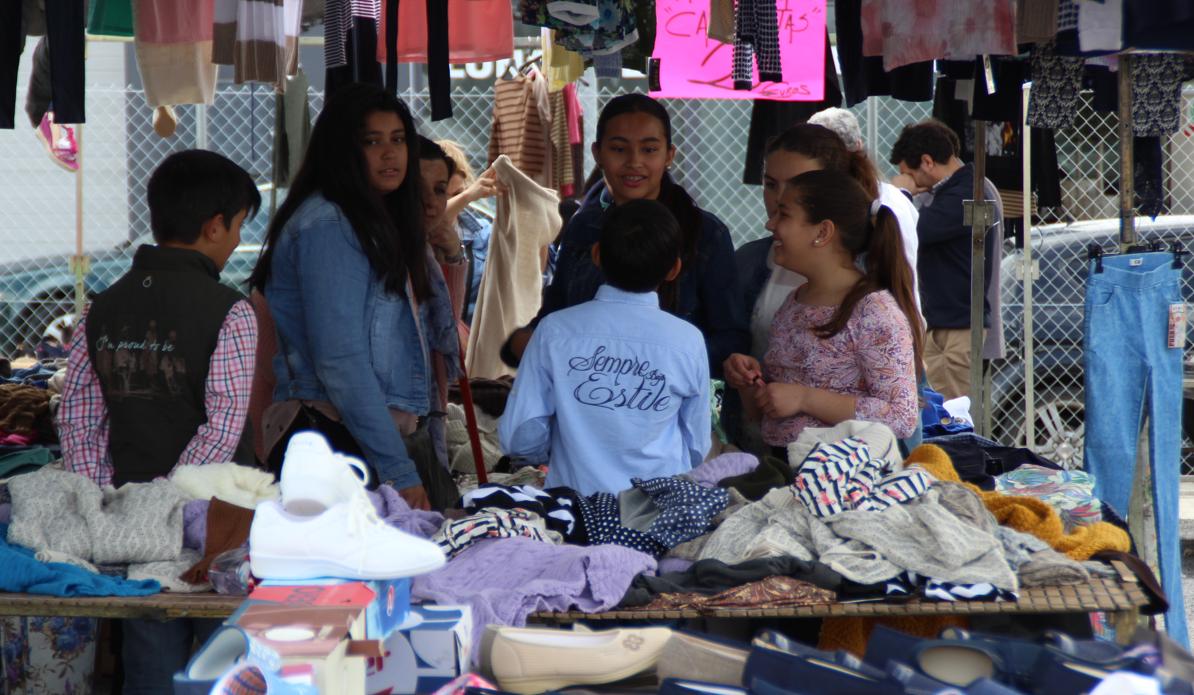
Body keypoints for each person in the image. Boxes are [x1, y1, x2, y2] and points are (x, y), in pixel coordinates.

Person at [57, 149, 261, 693]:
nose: (238, 241)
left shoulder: (99, 309)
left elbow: (77, 416)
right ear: (215, 226)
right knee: (226, 660)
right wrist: (171, 498)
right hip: (214, 524)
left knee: (149, 661)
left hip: (131, 527)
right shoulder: (230, 309)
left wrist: (111, 499)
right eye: (239, 227)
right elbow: (223, 425)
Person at [248, 82, 460, 512]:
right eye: (372, 141)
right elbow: (340, 361)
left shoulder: (370, 221)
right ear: (342, 150)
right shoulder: (331, 225)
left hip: (357, 435)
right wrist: (398, 470)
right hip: (335, 440)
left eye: (398, 139)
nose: (390, 154)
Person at [501, 93, 748, 376]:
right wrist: (527, 340)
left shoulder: (705, 234)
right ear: (597, 153)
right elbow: (556, 312)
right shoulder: (584, 227)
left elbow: (731, 339)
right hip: (583, 396)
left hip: (664, 402)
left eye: (649, 150)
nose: (634, 162)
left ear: (669, 155)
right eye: (619, 149)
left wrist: (654, 360)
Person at [728, 122, 920, 453]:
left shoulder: (874, 311)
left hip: (847, 485)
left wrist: (805, 398)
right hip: (783, 471)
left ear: (822, 232)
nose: (770, 220)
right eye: (770, 185)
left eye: (785, 212)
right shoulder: (794, 302)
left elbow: (902, 417)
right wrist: (751, 386)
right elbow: (769, 415)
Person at [498, 199, 711, 495]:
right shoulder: (688, 340)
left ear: (596, 254)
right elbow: (697, 444)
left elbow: (521, 435)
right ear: (674, 269)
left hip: (576, 510)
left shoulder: (554, 331)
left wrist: (556, 454)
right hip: (657, 513)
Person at [888, 119, 1003, 400]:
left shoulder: (970, 194)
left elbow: (912, 231)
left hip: (956, 327)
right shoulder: (957, 191)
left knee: (949, 416)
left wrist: (900, 194)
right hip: (945, 321)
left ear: (927, 162)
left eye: (910, 173)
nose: (912, 182)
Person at [438, 139, 498, 323]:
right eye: (440, 192)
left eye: (459, 193)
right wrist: (467, 196)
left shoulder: (483, 233)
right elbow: (433, 224)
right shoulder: (413, 230)